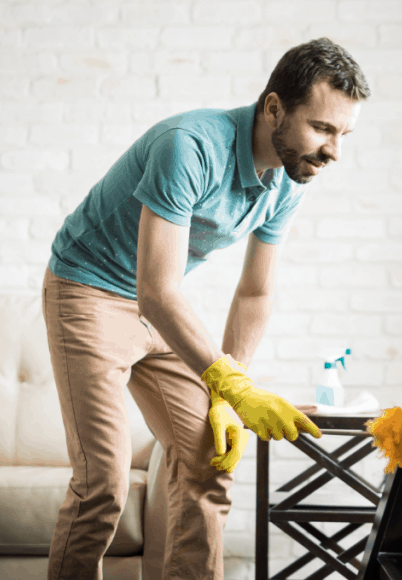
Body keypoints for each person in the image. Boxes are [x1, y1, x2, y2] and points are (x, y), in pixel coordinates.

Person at [42, 37, 370, 580]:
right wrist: (237, 388)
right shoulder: (188, 146)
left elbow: (255, 293)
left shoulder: (289, 178)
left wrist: (225, 387)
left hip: (155, 305)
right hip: (89, 290)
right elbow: (157, 291)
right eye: (323, 128)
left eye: (344, 134)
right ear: (273, 109)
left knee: (210, 457)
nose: (333, 150)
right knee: (104, 481)